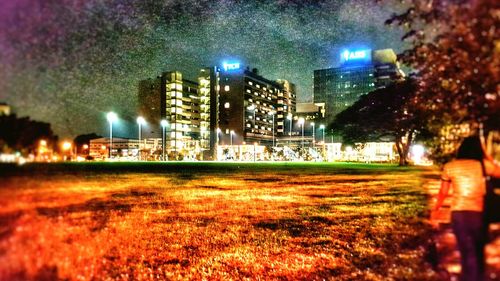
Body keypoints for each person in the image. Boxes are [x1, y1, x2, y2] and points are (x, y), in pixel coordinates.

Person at [433, 136, 500, 281]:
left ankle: (469, 276)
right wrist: (486, 155)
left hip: (458, 214)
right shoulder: (483, 165)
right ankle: (475, 276)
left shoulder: (450, 166)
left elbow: (443, 192)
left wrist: (435, 210)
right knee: (477, 250)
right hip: (478, 214)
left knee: (466, 250)